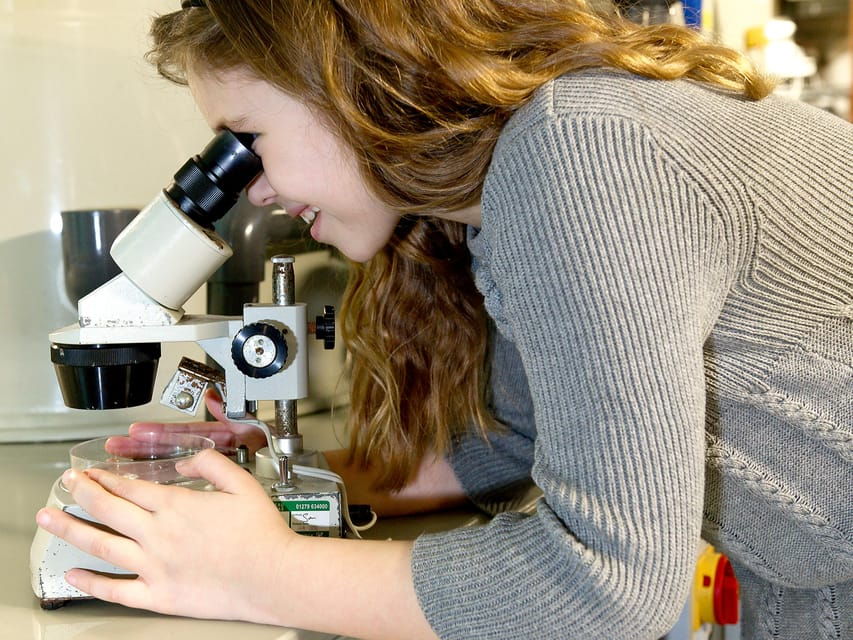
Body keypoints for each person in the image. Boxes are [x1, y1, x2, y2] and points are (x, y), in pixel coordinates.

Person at [35, 1, 852, 638]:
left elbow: (606, 585)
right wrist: (302, 476)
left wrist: (258, 571)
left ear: (357, 81)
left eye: (246, 141)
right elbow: (522, 435)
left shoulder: (583, 152)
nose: (253, 191)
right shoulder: (506, 187)